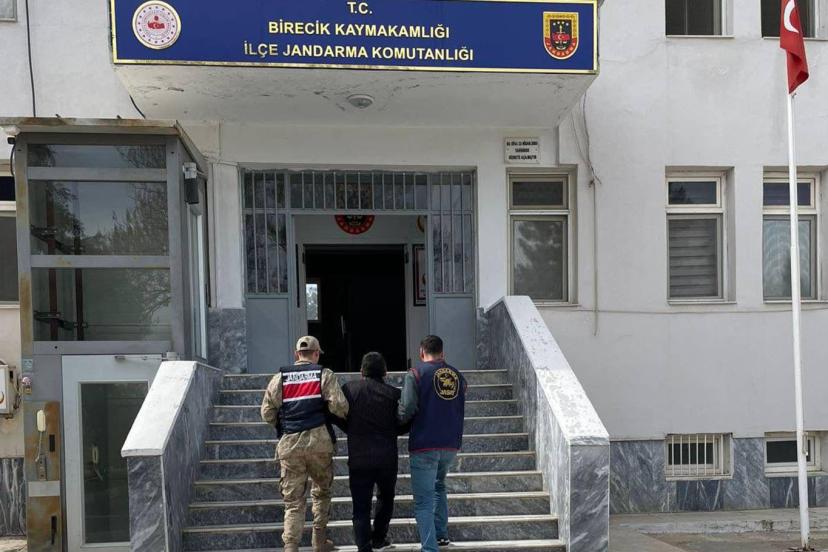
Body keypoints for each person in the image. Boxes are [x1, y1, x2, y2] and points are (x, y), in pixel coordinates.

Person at [261, 336, 349, 552]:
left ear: (296, 354)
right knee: (321, 492)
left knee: (293, 501)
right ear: (316, 354)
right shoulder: (324, 374)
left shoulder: (280, 378)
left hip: (290, 445)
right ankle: (319, 541)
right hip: (320, 444)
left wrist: (284, 424)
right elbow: (340, 407)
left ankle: (291, 546)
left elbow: (267, 413)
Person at [334, 352, 409, 552]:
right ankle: (379, 539)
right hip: (386, 458)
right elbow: (404, 422)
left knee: (360, 506)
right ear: (385, 372)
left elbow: (335, 414)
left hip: (359, 458)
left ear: (362, 371)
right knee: (386, 499)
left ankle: (364, 546)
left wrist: (350, 428)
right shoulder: (394, 394)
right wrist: (392, 430)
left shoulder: (349, 390)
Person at [398, 335, 467, 551]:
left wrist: (395, 422)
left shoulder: (416, 374)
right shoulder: (458, 376)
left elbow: (407, 408)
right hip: (450, 443)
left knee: (423, 501)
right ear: (442, 353)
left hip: (425, 443)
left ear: (421, 353)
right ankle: (441, 535)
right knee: (439, 485)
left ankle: (429, 548)